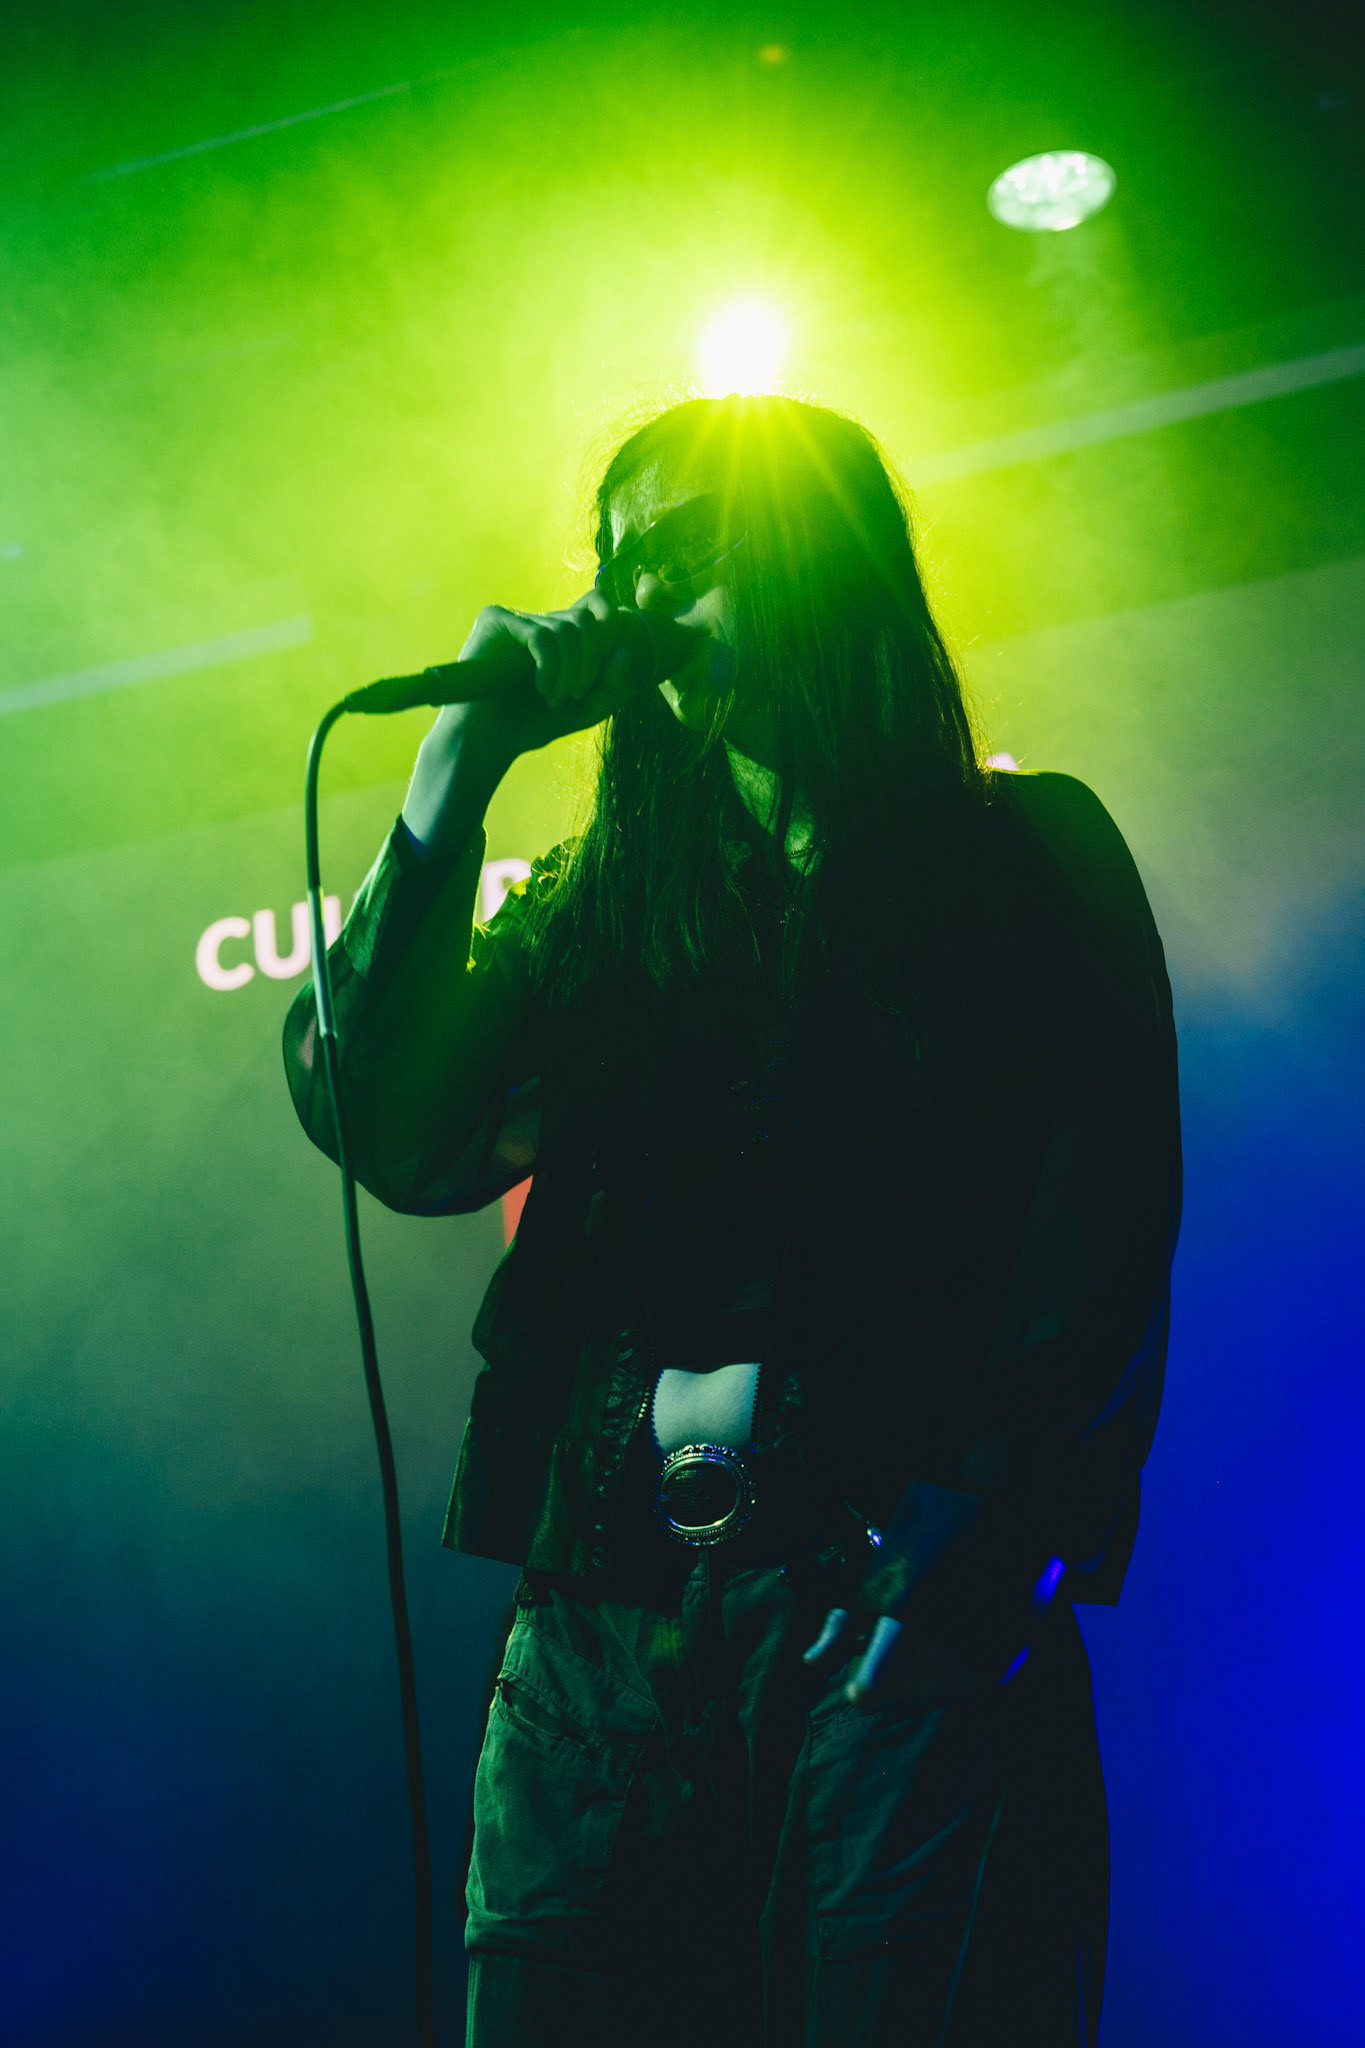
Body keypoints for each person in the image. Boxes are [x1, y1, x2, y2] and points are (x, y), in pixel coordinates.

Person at [282, 393, 1181, 2047]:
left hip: (883, 1612)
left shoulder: (1021, 858)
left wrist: (965, 1567)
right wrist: (453, 770)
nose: (639, 590)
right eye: (618, 553)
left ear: (819, 556)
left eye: (690, 543)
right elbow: (391, 1124)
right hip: (601, 1631)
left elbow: (1102, 1246)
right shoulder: (606, 902)